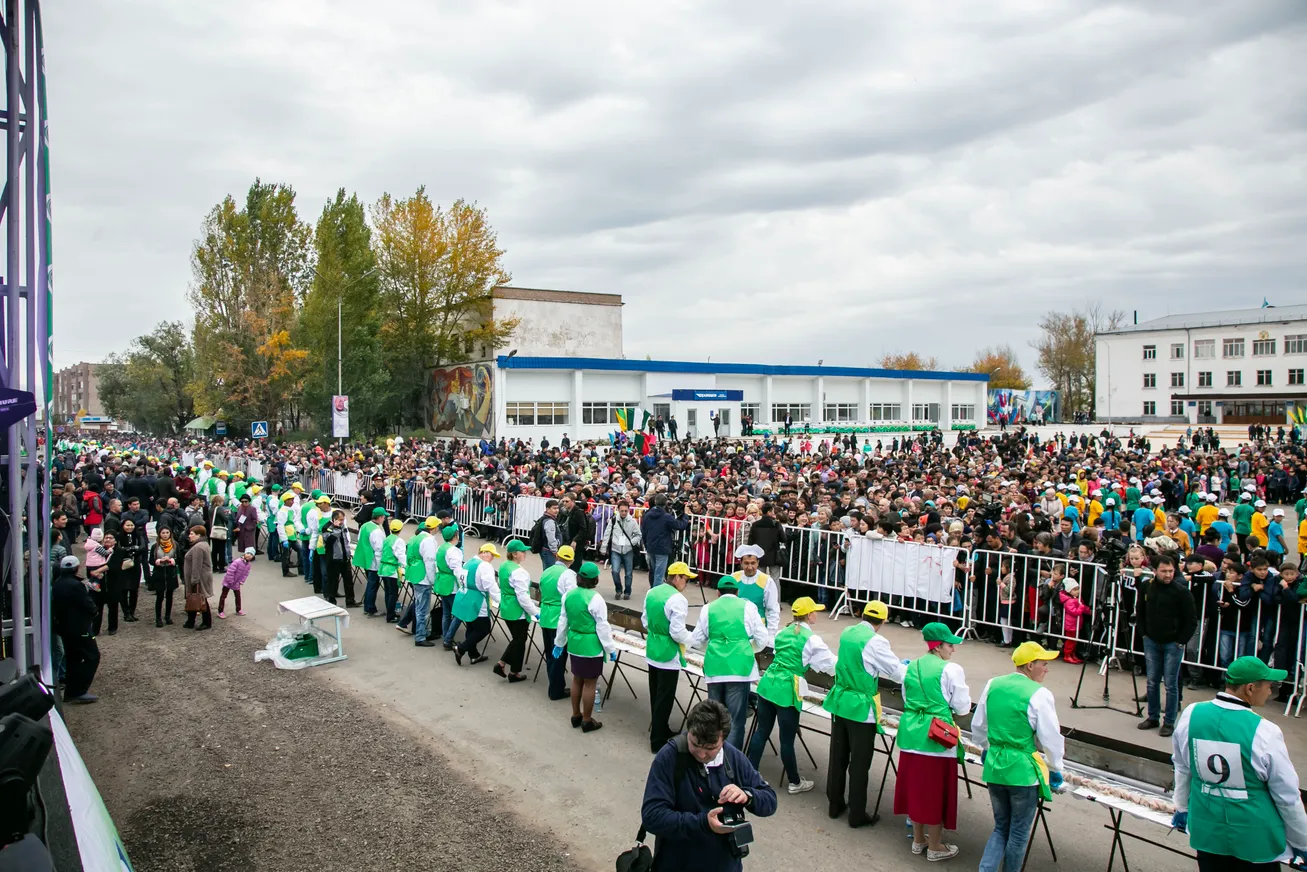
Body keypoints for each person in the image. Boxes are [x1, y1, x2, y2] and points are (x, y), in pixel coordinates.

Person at [1171, 656, 1307, 872]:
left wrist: (1182, 806)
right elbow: (1287, 797)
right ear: (1250, 688)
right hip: (1255, 843)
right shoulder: (1265, 731)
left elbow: (1182, 767)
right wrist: (1302, 842)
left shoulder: (1191, 714)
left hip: (1208, 835)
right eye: (1268, 686)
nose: (1270, 692)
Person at [640, 699, 778, 872]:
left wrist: (748, 796)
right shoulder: (670, 756)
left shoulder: (734, 758)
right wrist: (703, 823)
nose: (701, 754)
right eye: (695, 744)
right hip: (677, 863)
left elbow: (770, 801)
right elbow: (652, 816)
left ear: (724, 741)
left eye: (710, 748)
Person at [972, 641, 1066, 872]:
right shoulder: (1040, 694)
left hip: (995, 766)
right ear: (1030, 665)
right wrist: (1055, 768)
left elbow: (978, 725)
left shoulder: (993, 684)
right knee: (1018, 833)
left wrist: (986, 748)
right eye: (1044, 664)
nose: (1047, 669)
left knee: (1000, 828)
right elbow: (1051, 738)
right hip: (1022, 773)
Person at [894, 622, 973, 861]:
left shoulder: (911, 666)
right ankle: (936, 846)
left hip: (911, 734)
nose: (953, 649)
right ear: (938, 646)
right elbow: (962, 707)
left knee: (917, 790)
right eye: (950, 645)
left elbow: (908, 699)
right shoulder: (951, 670)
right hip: (937, 738)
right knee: (936, 793)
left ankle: (919, 840)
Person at [825, 600, 907, 828]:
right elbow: (895, 671)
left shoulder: (848, 632)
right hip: (861, 707)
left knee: (838, 756)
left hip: (841, 701)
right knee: (860, 763)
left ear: (862, 614)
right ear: (883, 621)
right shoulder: (876, 641)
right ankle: (857, 813)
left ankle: (834, 804)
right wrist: (911, 671)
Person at [745, 596, 836, 794]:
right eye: (815, 611)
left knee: (762, 731)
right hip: (787, 689)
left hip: (769, 683)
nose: (817, 614)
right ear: (809, 614)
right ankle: (794, 781)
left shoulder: (782, 632)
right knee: (787, 740)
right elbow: (829, 665)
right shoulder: (812, 639)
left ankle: (749, 774)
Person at [688, 576, 771, 749]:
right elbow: (762, 639)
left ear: (717, 592)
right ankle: (731, 761)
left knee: (715, 718)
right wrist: (748, 648)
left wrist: (711, 648)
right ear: (737, 592)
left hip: (715, 668)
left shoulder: (708, 608)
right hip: (740, 669)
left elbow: (696, 640)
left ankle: (712, 756)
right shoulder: (748, 607)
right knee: (735, 720)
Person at [1137, 552, 1197, 737]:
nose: (1168, 575)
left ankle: (1169, 721)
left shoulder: (1181, 591)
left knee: (1171, 684)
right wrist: (1144, 634)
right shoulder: (1147, 587)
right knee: (1152, 681)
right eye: (1164, 571)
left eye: (1171, 571)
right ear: (1155, 571)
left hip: (1173, 643)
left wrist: (1181, 641)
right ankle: (1153, 716)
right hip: (1152, 640)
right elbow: (1140, 610)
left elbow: (1191, 619)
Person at [642, 560, 697, 751]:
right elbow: (677, 632)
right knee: (665, 697)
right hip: (668, 653)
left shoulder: (652, 592)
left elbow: (645, 621)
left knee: (655, 693)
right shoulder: (678, 600)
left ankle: (661, 728)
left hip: (653, 648)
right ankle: (657, 740)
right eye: (686, 579)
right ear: (676, 578)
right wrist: (695, 639)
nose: (687, 583)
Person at [554, 561, 615, 732]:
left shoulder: (568, 595)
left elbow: (563, 621)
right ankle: (587, 720)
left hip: (574, 643)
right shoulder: (596, 599)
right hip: (590, 645)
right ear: (595, 580)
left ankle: (575, 715)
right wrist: (610, 648)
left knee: (577, 679)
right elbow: (602, 627)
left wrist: (559, 642)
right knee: (590, 683)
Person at [53, 555, 100, 704]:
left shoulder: (57, 583)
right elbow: (88, 605)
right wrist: (94, 611)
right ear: (76, 568)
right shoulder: (76, 585)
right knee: (92, 656)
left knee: (73, 658)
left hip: (65, 628)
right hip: (79, 627)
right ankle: (79, 690)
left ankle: (70, 691)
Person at [493, 540, 538, 682]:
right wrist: (534, 611)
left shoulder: (504, 566)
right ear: (514, 554)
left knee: (518, 639)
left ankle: (513, 670)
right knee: (519, 639)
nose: (525, 553)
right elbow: (523, 597)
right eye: (522, 551)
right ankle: (504, 665)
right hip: (517, 609)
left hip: (507, 605)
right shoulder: (519, 572)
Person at [539, 544, 578, 700]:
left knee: (550, 653)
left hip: (545, 615)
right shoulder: (569, 574)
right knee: (559, 657)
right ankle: (556, 690)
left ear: (557, 556)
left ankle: (554, 685)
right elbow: (571, 597)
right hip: (558, 618)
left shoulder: (546, 571)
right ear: (572, 560)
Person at [453, 542, 502, 663]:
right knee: (483, 628)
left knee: (471, 626)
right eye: (492, 555)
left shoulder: (469, 562)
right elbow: (490, 585)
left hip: (465, 596)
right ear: (484, 553)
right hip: (477, 600)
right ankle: (461, 648)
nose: (492, 558)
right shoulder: (485, 566)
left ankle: (473, 654)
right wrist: (500, 601)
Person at [724, 544, 781, 641]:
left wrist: (770, 635)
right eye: (746, 563)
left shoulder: (767, 581)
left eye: (753, 563)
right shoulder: (734, 578)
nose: (750, 567)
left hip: (757, 630)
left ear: (758, 563)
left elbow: (773, 610)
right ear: (741, 563)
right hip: (736, 628)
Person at [641, 494, 691, 586]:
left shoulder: (647, 515)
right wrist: (686, 515)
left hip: (651, 546)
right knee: (659, 575)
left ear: (655, 502)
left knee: (654, 571)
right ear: (665, 503)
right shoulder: (666, 517)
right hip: (662, 548)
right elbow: (679, 526)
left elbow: (643, 531)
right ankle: (656, 595)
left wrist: (646, 544)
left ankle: (653, 591)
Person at [402, 517, 437, 646]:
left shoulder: (415, 538)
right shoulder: (428, 540)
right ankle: (421, 636)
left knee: (419, 606)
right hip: (423, 577)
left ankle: (423, 632)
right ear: (434, 527)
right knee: (423, 609)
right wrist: (433, 579)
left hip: (414, 574)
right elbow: (429, 561)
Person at [601, 499, 642, 600]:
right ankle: (618, 589)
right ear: (618, 510)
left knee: (628, 573)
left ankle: (627, 591)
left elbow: (638, 535)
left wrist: (631, 542)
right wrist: (603, 546)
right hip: (616, 549)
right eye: (622, 510)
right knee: (615, 571)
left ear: (628, 510)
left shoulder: (632, 521)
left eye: (626, 511)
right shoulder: (614, 520)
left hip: (628, 550)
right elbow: (607, 533)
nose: (624, 513)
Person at [435, 522, 465, 646]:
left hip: (442, 581)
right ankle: (448, 639)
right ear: (455, 536)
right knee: (459, 613)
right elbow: (457, 569)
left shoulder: (441, 548)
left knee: (446, 613)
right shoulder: (453, 551)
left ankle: (446, 636)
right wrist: (463, 584)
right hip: (451, 584)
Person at [355, 506, 386, 617]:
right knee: (372, 585)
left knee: (371, 584)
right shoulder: (376, 530)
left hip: (366, 558)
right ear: (379, 517)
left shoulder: (365, 526)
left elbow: (360, 539)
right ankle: (370, 608)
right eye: (383, 517)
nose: (384, 520)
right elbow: (379, 548)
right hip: (374, 560)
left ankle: (368, 606)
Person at [321, 509, 356, 606]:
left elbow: (346, 539)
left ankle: (350, 601)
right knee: (333, 580)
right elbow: (328, 540)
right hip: (333, 558)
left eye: (343, 519)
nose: (342, 522)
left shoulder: (343, 526)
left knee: (348, 580)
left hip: (344, 557)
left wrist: (348, 553)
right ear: (334, 519)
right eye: (340, 520)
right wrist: (336, 529)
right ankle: (331, 600)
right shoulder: (327, 527)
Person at [183, 524, 214, 631]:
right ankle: (190, 621)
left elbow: (197, 565)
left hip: (199, 578)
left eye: (192, 534)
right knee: (196, 598)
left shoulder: (198, 547)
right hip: (202, 577)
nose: (189, 536)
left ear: (198, 535)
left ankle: (206, 622)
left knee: (200, 598)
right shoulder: (203, 544)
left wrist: (194, 580)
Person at [149, 525, 182, 626]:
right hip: (159, 573)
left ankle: (168, 616)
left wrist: (172, 561)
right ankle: (158, 618)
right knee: (159, 597)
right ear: (159, 534)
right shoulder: (155, 546)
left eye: (167, 533)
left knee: (169, 596)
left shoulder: (175, 545)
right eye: (163, 533)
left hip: (170, 573)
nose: (165, 535)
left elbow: (180, 559)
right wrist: (158, 561)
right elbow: (150, 560)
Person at [379, 519, 406, 624]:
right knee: (393, 594)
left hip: (383, 568)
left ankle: (389, 612)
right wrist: (406, 566)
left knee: (388, 592)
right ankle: (391, 615)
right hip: (391, 569)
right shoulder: (399, 541)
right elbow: (401, 556)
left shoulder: (387, 538)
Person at [218, 547, 254, 617]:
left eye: (251, 554)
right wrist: (231, 581)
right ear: (244, 553)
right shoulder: (237, 561)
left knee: (238, 595)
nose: (249, 555)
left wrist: (242, 581)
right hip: (228, 582)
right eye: (248, 553)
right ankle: (220, 611)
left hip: (237, 583)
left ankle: (238, 609)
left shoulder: (248, 565)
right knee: (223, 596)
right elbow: (230, 572)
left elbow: (246, 574)